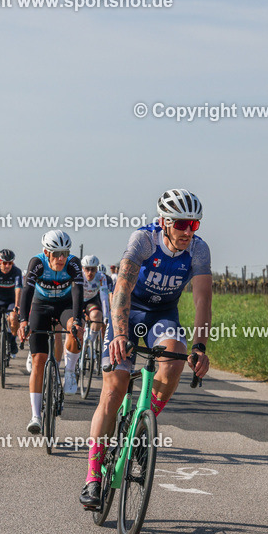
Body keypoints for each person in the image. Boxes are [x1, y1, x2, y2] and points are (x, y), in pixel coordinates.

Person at [79, 189, 212, 509]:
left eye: (193, 224)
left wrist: (199, 347)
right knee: (114, 389)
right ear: (164, 222)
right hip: (128, 312)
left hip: (162, 316)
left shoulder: (199, 250)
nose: (187, 231)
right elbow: (121, 289)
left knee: (174, 361)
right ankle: (93, 477)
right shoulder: (143, 240)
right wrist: (119, 335)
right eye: (181, 224)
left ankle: (142, 425)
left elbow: (202, 299)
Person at [16, 233, 84, 431]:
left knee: (76, 329)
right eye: (56, 254)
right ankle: (36, 416)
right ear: (47, 252)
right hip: (41, 305)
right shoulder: (37, 262)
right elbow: (27, 291)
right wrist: (23, 321)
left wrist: (78, 321)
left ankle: (70, 371)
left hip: (65, 306)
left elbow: (78, 291)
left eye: (65, 253)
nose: (61, 258)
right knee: (39, 360)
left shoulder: (73, 263)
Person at [0, 250, 23, 370]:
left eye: (10, 263)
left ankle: (12, 340)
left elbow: (18, 290)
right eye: (4, 263)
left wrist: (17, 306)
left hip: (11, 300)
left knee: (13, 318)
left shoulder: (16, 271)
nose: (7, 266)